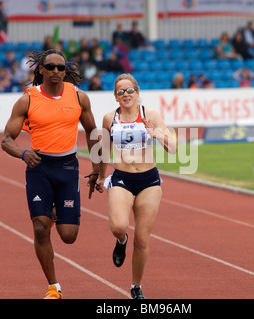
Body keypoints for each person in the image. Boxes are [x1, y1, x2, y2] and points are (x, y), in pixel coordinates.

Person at [1, 49, 100, 299]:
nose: (56, 71)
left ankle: (54, 212)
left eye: (61, 67)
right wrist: (23, 154)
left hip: (68, 168)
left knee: (68, 237)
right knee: (40, 228)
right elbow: (6, 140)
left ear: (66, 71)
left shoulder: (79, 97)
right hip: (39, 168)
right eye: (51, 67)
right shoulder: (28, 99)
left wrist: (98, 166)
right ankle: (54, 287)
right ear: (41, 70)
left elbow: (92, 131)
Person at [96, 73, 177, 299]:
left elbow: (174, 148)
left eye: (129, 90)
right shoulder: (109, 118)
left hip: (149, 180)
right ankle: (121, 241)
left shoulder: (150, 115)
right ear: (115, 96)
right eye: (120, 92)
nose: (126, 94)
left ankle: (136, 287)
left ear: (137, 92)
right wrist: (102, 177)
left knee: (142, 239)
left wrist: (156, 133)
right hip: (121, 178)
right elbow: (104, 150)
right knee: (119, 226)